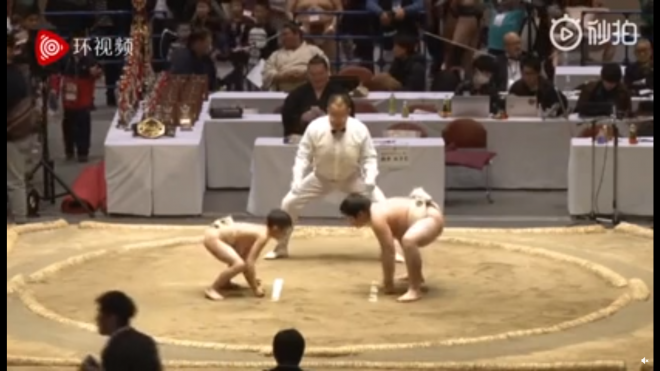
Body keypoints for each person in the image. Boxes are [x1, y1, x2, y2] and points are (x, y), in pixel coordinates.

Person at [266, 93, 387, 260]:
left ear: (349, 111)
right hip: (320, 178)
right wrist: (297, 178)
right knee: (289, 202)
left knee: (382, 205)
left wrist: (370, 178)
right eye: (333, 115)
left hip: (351, 177)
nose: (337, 120)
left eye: (342, 115)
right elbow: (303, 156)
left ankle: (391, 249)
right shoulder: (315, 127)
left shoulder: (360, 128)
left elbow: (369, 157)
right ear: (327, 111)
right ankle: (281, 248)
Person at [339, 188, 444, 302]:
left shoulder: (377, 218)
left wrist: (388, 283)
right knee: (401, 234)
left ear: (360, 214)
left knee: (409, 240)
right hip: (423, 217)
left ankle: (415, 289)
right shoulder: (377, 211)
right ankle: (415, 275)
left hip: (430, 219)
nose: (350, 223)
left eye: (349, 218)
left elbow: (388, 251)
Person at [203, 210, 293, 300]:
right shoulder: (263, 236)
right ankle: (212, 289)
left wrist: (252, 281)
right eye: (284, 231)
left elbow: (246, 260)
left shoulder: (260, 232)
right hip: (213, 238)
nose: (285, 235)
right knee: (239, 264)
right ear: (275, 228)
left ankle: (225, 282)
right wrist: (255, 288)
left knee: (240, 259)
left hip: (216, 233)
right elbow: (250, 262)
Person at [50, 30, 103, 163]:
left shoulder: (90, 57)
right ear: (71, 43)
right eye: (75, 42)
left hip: (84, 95)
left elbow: (98, 72)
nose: (78, 45)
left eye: (81, 42)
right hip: (69, 96)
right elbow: (56, 74)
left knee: (83, 123)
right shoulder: (64, 57)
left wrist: (95, 73)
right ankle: (69, 150)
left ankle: (83, 151)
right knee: (68, 123)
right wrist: (54, 91)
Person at [83, 291, 162, 371]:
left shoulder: (114, 349)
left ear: (112, 318)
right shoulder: (146, 341)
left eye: (100, 314)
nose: (97, 319)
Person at [7, 31, 38, 225]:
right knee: (16, 179)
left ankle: (20, 221)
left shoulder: (13, 75)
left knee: (15, 180)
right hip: (20, 132)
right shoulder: (18, 72)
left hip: (13, 133)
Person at [280, 55, 351, 138]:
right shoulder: (296, 95)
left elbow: (349, 120)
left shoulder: (340, 94)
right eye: (313, 74)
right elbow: (288, 120)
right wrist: (301, 119)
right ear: (308, 75)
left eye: (320, 74)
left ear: (327, 72)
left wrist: (328, 118)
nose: (317, 78)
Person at [262, 22, 326, 92]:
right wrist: (282, 76)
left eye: (285, 34)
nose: (282, 38)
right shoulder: (275, 55)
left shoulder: (313, 51)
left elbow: (324, 67)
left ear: (296, 35)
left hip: (309, 92)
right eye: (282, 35)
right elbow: (267, 73)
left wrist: (305, 74)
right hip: (282, 92)